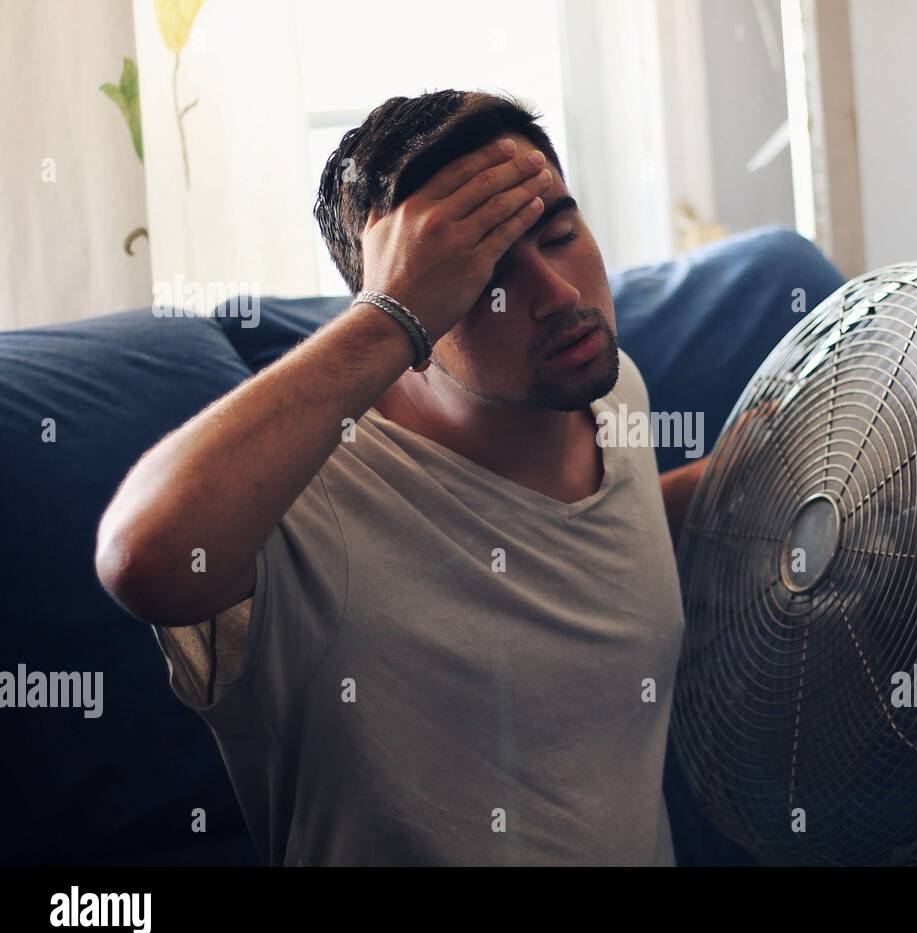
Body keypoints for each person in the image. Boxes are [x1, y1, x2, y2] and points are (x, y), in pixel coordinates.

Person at [94, 90, 708, 865]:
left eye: (558, 235)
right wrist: (388, 316)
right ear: (410, 298)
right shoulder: (302, 501)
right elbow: (142, 558)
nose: (561, 297)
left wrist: (728, 485)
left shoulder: (608, 386)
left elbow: (553, 552)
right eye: (480, 273)